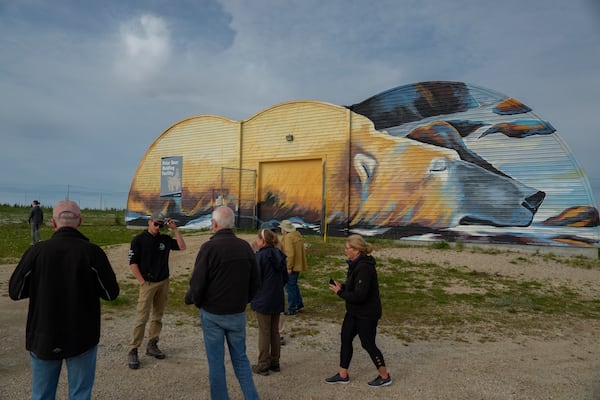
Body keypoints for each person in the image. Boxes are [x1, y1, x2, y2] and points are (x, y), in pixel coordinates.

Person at [9, 199, 120, 399]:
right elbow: (111, 294)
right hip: (82, 336)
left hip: (43, 335)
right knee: (80, 394)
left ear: (53, 223)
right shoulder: (92, 252)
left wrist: (40, 286)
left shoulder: (36, 252)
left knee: (42, 395)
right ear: (80, 222)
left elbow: (15, 291)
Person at [185, 206, 260, 400]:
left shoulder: (209, 248)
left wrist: (197, 302)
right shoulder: (245, 247)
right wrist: (244, 300)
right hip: (237, 313)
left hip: (213, 315)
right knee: (241, 360)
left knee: (216, 363)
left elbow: (197, 282)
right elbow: (256, 281)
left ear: (214, 224)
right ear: (232, 224)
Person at [326, 234, 392, 387]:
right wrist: (343, 286)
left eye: (347, 248)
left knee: (368, 344)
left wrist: (340, 292)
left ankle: (384, 375)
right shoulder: (354, 264)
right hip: (353, 312)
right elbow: (355, 288)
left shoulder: (364, 267)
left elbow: (360, 295)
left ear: (356, 250)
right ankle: (343, 374)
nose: (345, 250)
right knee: (346, 338)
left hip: (367, 314)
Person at [127, 211, 186, 369]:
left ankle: (152, 344)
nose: (158, 227)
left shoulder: (165, 240)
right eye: (156, 224)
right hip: (148, 283)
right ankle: (133, 349)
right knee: (142, 317)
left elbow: (182, 246)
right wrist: (142, 281)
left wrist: (174, 229)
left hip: (163, 281)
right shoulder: (138, 240)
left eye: (161, 225)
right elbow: (133, 263)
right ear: (149, 222)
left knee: (158, 316)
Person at [250, 229, 288, 376]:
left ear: (263, 241)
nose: (256, 242)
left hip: (263, 298)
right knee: (274, 332)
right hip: (276, 297)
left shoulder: (260, 257)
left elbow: (255, 278)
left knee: (264, 332)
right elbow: (285, 278)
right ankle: (275, 361)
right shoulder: (280, 255)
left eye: (258, 239)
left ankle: (263, 363)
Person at [280, 220, 307, 315]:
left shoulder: (288, 238)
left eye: (281, 228)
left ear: (284, 229)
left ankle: (292, 308)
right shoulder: (297, 235)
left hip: (292, 266)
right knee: (294, 285)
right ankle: (299, 304)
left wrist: (288, 267)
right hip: (298, 265)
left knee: (290, 286)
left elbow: (290, 254)